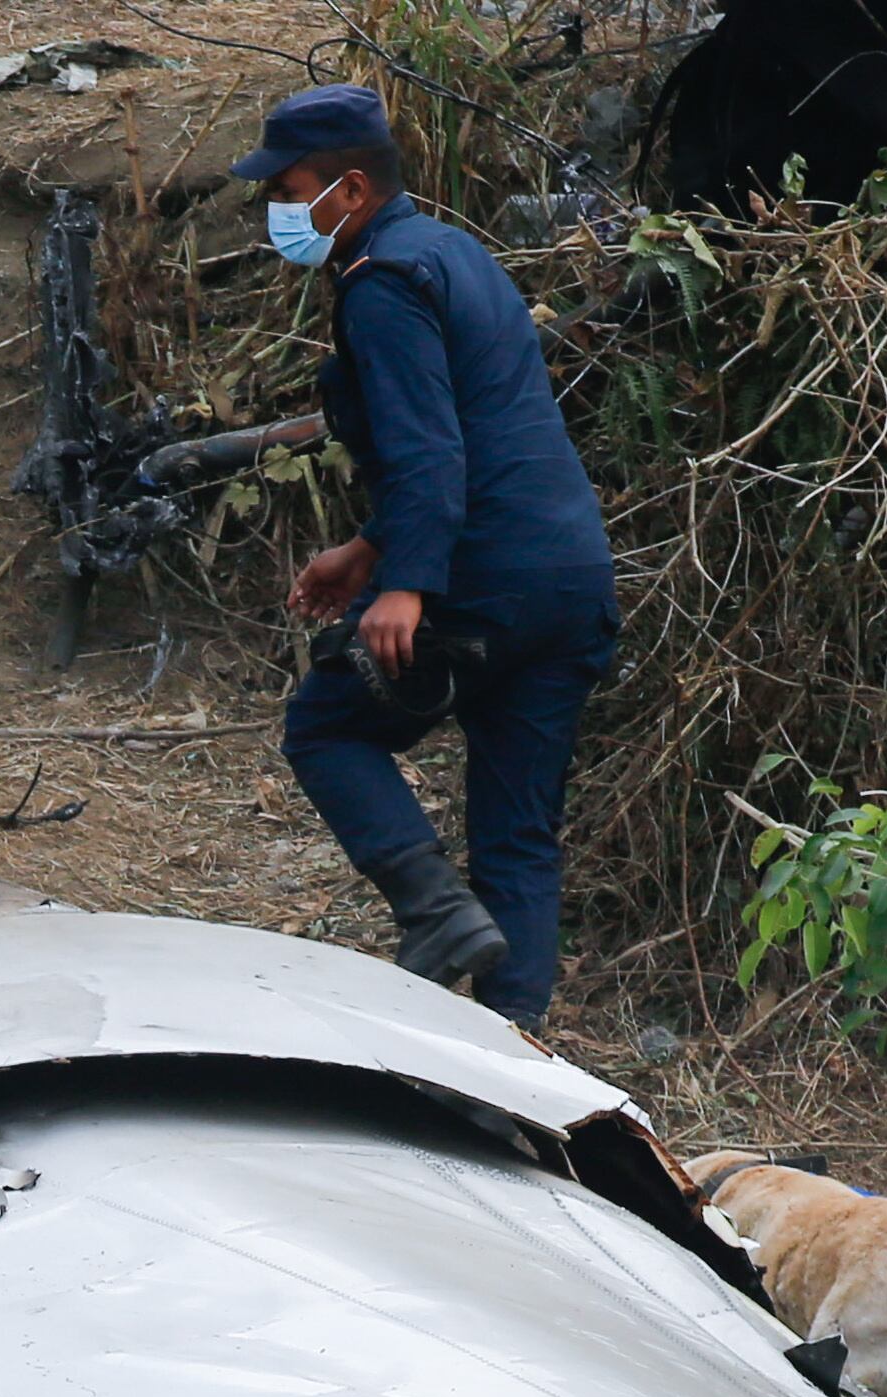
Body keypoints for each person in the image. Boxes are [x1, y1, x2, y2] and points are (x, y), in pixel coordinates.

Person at [244, 84, 616, 1025]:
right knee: (517, 834)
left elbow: (427, 449)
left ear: (351, 187)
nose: (277, 211)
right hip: (568, 576)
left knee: (326, 728)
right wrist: (372, 548)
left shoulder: (382, 284)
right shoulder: (451, 251)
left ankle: (434, 912)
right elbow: (482, 431)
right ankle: (512, 1066)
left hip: (483, 577)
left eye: (289, 190)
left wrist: (406, 582)